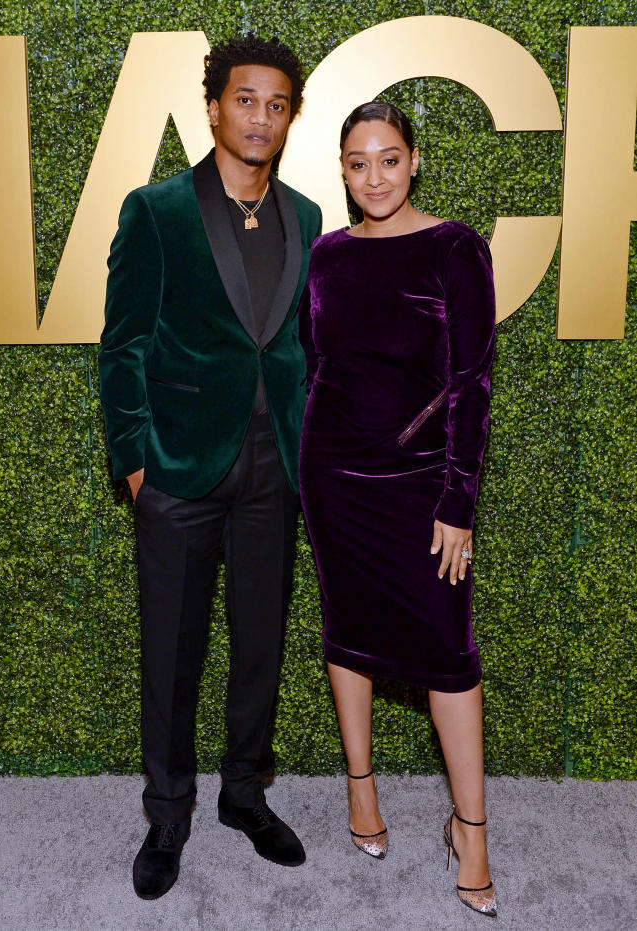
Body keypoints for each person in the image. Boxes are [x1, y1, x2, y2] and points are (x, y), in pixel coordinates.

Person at [98, 34, 322, 900]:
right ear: (215, 105)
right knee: (173, 651)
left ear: (287, 115)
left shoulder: (304, 215)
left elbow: (298, 344)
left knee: (259, 644)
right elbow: (121, 347)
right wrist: (136, 466)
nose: (259, 116)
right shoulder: (156, 210)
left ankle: (242, 793)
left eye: (275, 104)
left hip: (275, 472)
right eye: (244, 100)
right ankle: (167, 811)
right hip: (179, 470)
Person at [299, 101, 497, 918]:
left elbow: (471, 382)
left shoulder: (455, 247)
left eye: (387, 158)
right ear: (341, 171)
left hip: (422, 484)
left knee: (448, 650)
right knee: (348, 632)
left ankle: (471, 829)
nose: (372, 176)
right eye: (356, 162)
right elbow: (317, 367)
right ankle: (359, 790)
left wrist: (456, 500)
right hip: (335, 475)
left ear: (414, 160)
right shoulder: (326, 256)